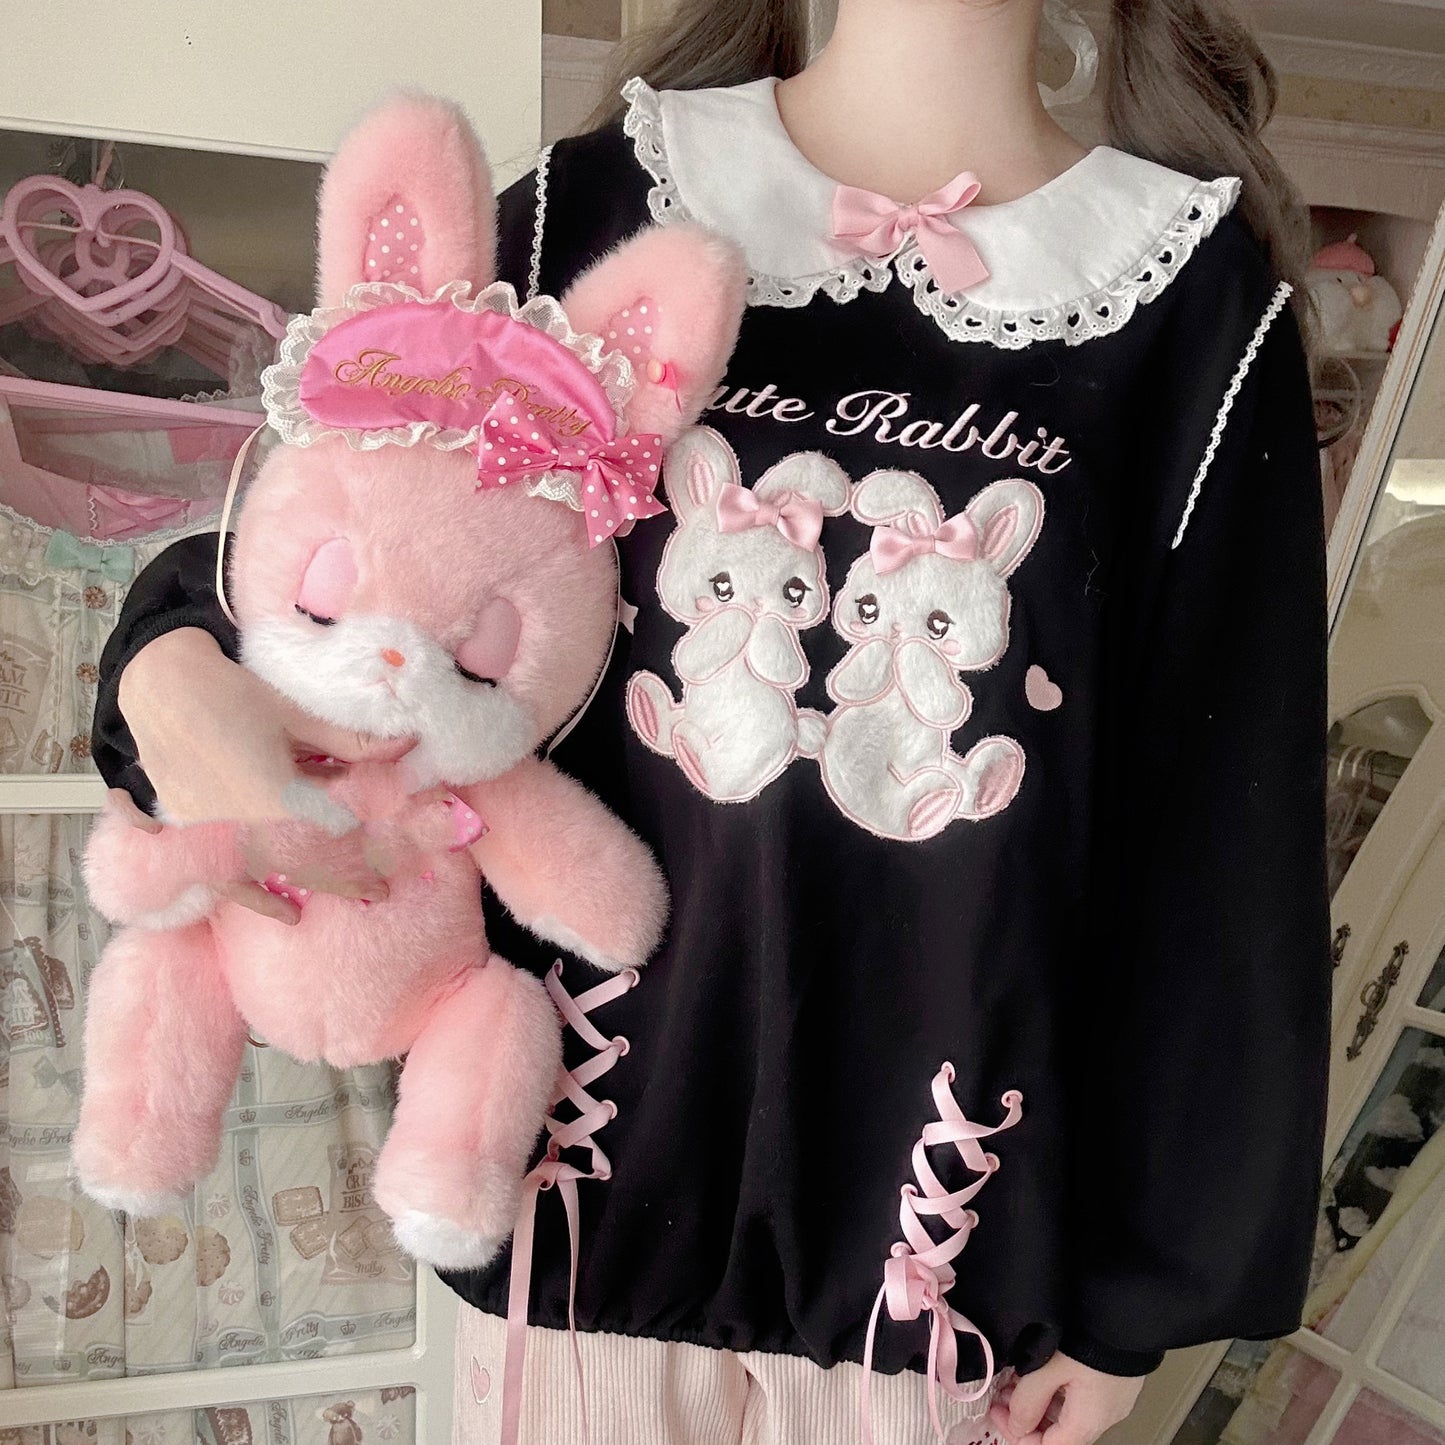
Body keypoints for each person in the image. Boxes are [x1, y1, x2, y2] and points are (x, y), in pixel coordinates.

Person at [91, 1, 1332, 1442]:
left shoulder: (1190, 304)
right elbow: (358, 530)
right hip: (574, 1209)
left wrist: (1145, 1288)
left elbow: (1221, 836)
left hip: (937, 1272)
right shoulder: (595, 209)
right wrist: (172, 658)